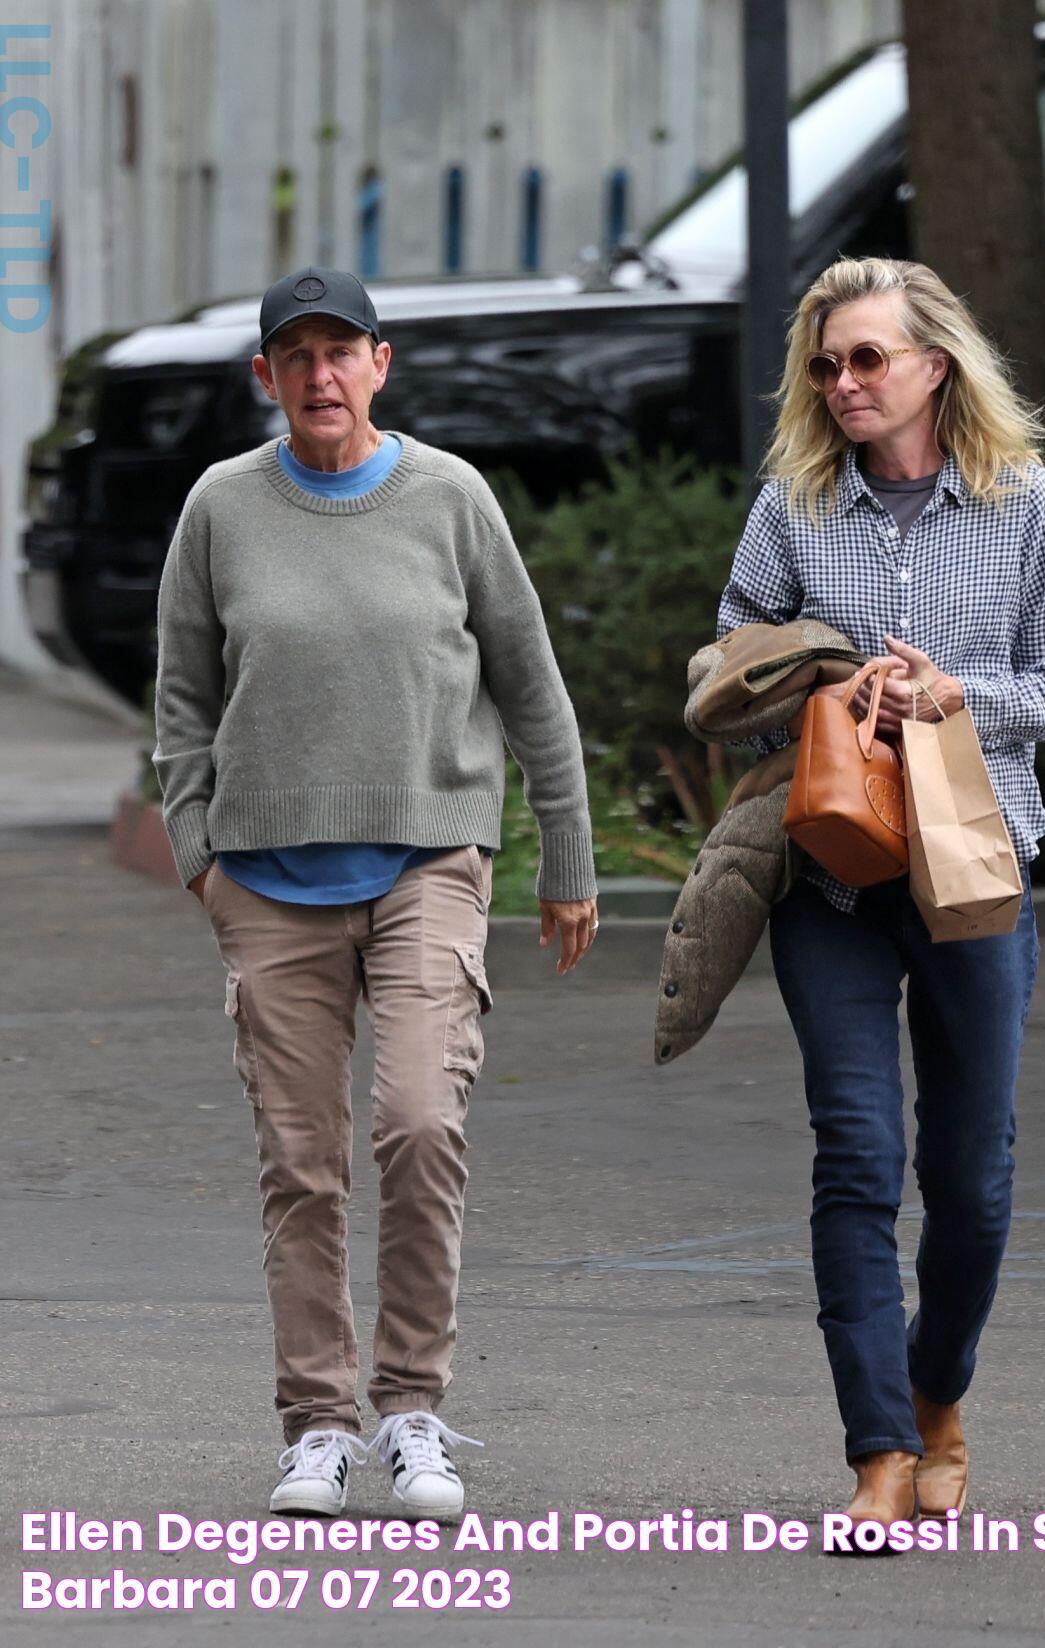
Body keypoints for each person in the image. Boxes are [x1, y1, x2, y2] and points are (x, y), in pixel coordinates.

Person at [153, 266, 599, 1520]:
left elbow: (531, 684)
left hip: (426, 861)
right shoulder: (220, 508)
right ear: (266, 378)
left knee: (416, 1122)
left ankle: (411, 1410)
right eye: (294, 356)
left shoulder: (449, 498)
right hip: (267, 882)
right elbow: (182, 693)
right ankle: (316, 1423)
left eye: (341, 351)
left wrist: (564, 857)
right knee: (302, 1163)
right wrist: (197, 845)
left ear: (380, 365)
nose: (320, 376)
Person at [717, 256, 1045, 1535]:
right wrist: (820, 689)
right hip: (827, 876)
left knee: (971, 1176)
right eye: (824, 365)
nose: (841, 383)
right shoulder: (793, 502)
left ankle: (936, 1393)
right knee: (859, 1157)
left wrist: (952, 697)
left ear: (935, 363)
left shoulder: (1019, 499)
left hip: (978, 872)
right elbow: (726, 682)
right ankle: (877, 1450)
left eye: (866, 358)